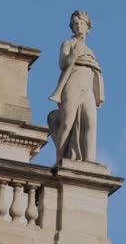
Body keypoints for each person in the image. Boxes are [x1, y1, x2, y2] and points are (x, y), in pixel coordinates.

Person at [49, 10, 104, 162]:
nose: (79, 26)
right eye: (76, 24)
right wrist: (74, 54)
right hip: (72, 84)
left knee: (91, 122)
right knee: (67, 123)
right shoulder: (68, 43)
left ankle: (89, 160)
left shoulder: (90, 51)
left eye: (82, 23)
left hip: (87, 87)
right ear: (72, 27)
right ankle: (60, 159)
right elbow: (63, 63)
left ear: (88, 28)